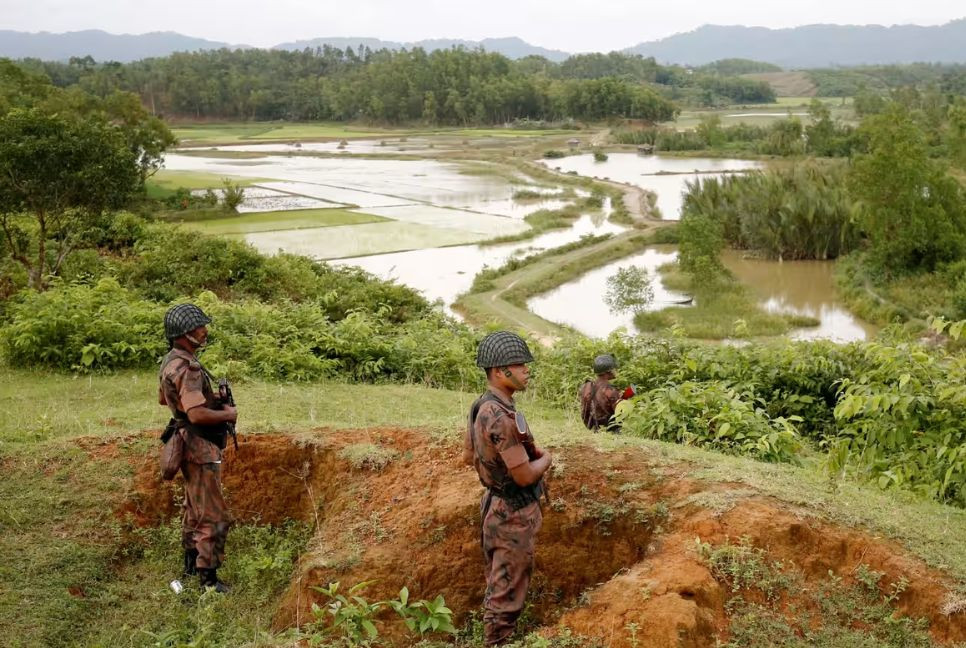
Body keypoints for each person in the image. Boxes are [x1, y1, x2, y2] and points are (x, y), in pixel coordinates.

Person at [463, 331, 552, 646]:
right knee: (506, 598)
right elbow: (526, 477)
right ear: (500, 371)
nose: (527, 370)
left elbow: (468, 455)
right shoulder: (501, 416)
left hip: (494, 506)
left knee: (499, 583)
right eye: (521, 365)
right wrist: (547, 460)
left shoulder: (482, 406)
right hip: (512, 513)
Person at [158, 303, 237, 593]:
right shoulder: (188, 367)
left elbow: (166, 400)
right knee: (214, 516)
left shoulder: (171, 360)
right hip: (199, 447)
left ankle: (190, 568)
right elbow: (197, 415)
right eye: (198, 328)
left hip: (184, 442)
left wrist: (210, 397)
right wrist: (228, 413)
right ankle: (209, 581)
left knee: (194, 510)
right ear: (184, 334)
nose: (204, 331)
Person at [578, 353, 627, 432]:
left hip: (591, 429)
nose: (615, 371)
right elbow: (620, 415)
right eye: (614, 368)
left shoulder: (586, 386)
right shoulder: (610, 390)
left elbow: (584, 412)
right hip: (609, 431)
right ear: (609, 371)